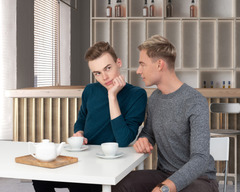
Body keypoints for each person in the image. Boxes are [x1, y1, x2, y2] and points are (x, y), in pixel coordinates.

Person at [32, 41, 147, 192]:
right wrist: (79, 132)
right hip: (85, 158)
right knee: (40, 178)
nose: (104, 77)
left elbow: (124, 140)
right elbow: (81, 119)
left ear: (118, 63)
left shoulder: (137, 95)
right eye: (97, 73)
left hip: (111, 164)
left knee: (82, 186)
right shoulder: (90, 90)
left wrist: (112, 96)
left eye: (108, 68)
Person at [113, 35, 218, 192]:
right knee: (121, 186)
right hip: (164, 173)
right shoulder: (155, 98)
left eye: (142, 64)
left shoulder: (195, 101)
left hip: (199, 179)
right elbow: (149, 133)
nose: (138, 71)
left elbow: (200, 158)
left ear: (159, 64)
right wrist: (143, 139)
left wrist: (167, 186)